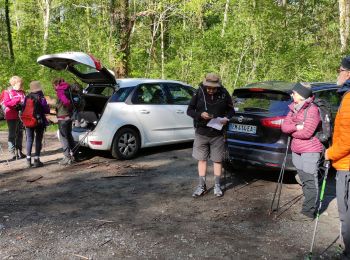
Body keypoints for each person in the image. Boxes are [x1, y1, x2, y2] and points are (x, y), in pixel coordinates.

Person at [281, 82, 323, 220]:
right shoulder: (293, 107)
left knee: (310, 180)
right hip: (297, 149)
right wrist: (297, 126)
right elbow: (284, 127)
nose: (292, 95)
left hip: (310, 149)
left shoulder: (312, 110)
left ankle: (309, 212)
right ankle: (309, 205)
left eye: (293, 93)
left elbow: (307, 133)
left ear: (300, 95)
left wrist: (293, 131)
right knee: (303, 179)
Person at [187, 73, 233, 197]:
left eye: (214, 88)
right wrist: (200, 114)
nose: (211, 90)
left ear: (218, 86)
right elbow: (189, 110)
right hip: (201, 132)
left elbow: (231, 110)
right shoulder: (199, 92)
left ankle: (217, 186)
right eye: (209, 87)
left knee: (217, 160)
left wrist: (226, 118)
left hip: (218, 133)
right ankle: (201, 186)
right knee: (201, 159)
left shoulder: (224, 93)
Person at [325, 56, 350, 259]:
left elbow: (347, 139)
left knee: (346, 210)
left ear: (348, 73)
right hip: (344, 163)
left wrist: (329, 153)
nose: (338, 73)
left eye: (339, 69)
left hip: (347, 165)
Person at [23, 81, 50, 168]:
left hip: (28, 120)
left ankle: (28, 160)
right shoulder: (41, 97)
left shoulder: (27, 97)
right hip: (39, 121)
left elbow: (23, 108)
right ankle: (37, 160)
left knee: (29, 139)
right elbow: (46, 110)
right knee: (38, 139)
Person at [52, 78, 75, 166]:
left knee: (63, 137)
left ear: (56, 84)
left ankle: (67, 157)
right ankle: (75, 154)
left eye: (54, 86)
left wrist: (60, 106)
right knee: (69, 135)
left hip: (63, 117)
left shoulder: (60, 90)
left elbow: (65, 101)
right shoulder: (68, 88)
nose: (54, 88)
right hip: (69, 116)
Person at [3, 76, 26, 160]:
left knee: (20, 134)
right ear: (14, 83)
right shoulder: (7, 91)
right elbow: (6, 103)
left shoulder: (22, 92)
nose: (21, 84)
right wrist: (17, 101)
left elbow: (25, 102)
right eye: (20, 83)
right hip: (11, 115)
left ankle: (19, 151)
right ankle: (12, 152)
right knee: (12, 134)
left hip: (21, 115)